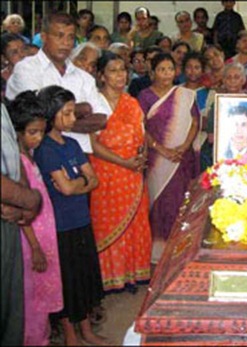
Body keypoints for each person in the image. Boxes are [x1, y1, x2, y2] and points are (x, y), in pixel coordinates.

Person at [34, 85, 105, 346]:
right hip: (60, 225)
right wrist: (77, 183)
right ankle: (71, 335)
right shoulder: (45, 149)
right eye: (67, 113)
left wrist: (76, 185)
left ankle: (86, 330)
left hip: (81, 219)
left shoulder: (73, 143)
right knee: (67, 280)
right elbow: (64, 188)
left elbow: (93, 180)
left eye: (73, 112)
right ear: (51, 114)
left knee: (84, 277)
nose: (73, 119)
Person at [89, 52, 151, 293]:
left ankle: (133, 274)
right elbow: (93, 144)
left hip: (133, 173)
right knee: (107, 223)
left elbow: (142, 135)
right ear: (101, 76)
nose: (120, 75)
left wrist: (142, 157)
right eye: (113, 70)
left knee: (136, 223)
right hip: (106, 172)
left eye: (122, 70)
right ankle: (110, 277)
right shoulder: (93, 102)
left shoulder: (132, 102)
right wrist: (124, 163)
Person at [6, 12, 108, 154]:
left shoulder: (84, 77)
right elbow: (38, 112)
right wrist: (83, 110)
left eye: (70, 37)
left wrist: (56, 121)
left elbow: (102, 120)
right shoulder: (26, 68)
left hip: (80, 160)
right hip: (40, 160)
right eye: (59, 36)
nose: (66, 43)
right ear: (43, 37)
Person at [8, 92, 63, 346]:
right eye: (32, 132)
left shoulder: (30, 155)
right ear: (17, 132)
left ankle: (42, 337)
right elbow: (23, 217)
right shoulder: (17, 162)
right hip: (32, 244)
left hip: (44, 237)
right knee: (31, 300)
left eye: (41, 131)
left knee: (42, 297)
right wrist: (36, 247)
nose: (39, 138)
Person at [138, 53, 199, 264]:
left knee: (179, 202)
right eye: (161, 69)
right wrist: (160, 148)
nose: (166, 74)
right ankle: (156, 254)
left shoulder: (184, 94)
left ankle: (179, 252)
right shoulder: (144, 96)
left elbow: (194, 122)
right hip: (156, 158)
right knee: (158, 203)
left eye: (170, 69)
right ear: (153, 72)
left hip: (181, 158)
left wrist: (184, 145)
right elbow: (140, 128)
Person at [1, 103, 42, 346]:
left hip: (10, 213)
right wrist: (30, 199)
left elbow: (12, 153)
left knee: (9, 308)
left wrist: (24, 194)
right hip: (8, 209)